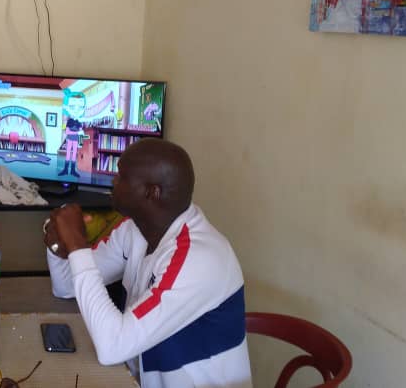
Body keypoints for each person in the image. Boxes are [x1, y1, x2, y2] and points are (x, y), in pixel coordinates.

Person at [43, 139, 251, 388]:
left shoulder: (198, 260)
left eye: (122, 176)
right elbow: (66, 286)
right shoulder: (135, 229)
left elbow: (112, 347)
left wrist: (77, 245)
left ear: (152, 192)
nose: (113, 181)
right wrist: (58, 245)